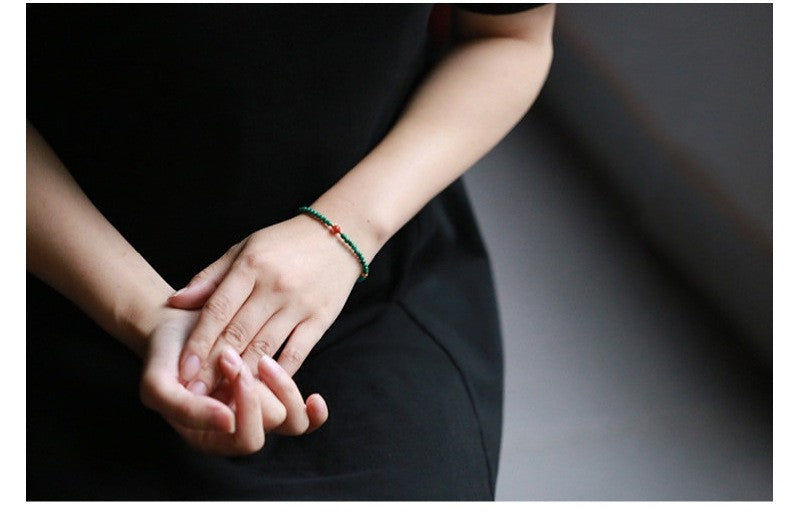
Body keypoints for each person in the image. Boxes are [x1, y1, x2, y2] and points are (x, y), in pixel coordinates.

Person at [26, 3, 555, 500]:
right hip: (56, 263)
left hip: (366, 262)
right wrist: (152, 316)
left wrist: (342, 233)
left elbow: (510, 38)